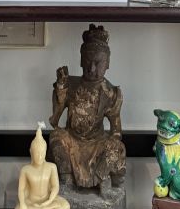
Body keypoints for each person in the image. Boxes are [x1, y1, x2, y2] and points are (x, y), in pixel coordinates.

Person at [48, 24, 125, 193]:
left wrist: (113, 139)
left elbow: (116, 130)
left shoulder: (111, 93)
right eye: (88, 62)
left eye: (98, 63)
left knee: (116, 148)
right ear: (81, 60)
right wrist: (60, 89)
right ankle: (66, 178)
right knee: (56, 137)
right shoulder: (71, 84)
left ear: (107, 64)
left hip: (97, 143)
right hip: (72, 140)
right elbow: (56, 119)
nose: (92, 68)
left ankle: (102, 179)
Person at [11, 125, 73, 209]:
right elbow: (21, 190)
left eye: (42, 153)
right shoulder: (26, 170)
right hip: (31, 203)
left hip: (49, 202)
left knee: (65, 206)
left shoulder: (51, 167)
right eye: (36, 153)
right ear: (31, 152)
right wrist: (23, 204)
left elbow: (55, 187)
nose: (39, 156)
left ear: (45, 152)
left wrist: (49, 201)